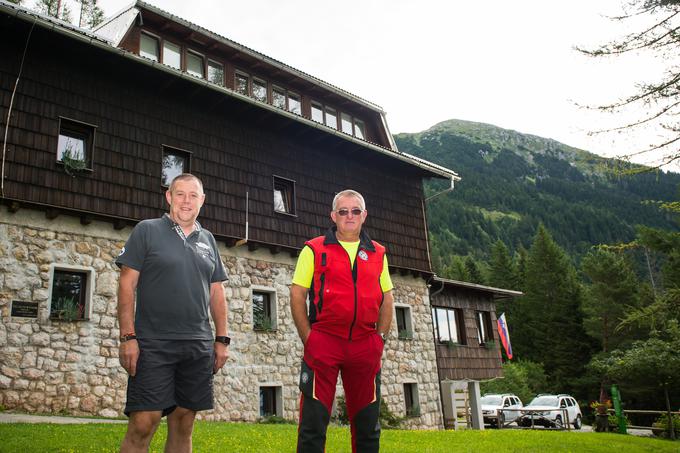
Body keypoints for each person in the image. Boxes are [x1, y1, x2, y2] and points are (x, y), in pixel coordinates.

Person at [115, 173, 230, 453]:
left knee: (183, 423)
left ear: (202, 201)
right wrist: (128, 337)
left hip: (197, 345)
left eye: (193, 195)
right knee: (144, 422)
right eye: (180, 194)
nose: (186, 201)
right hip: (153, 343)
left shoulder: (209, 240)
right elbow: (126, 285)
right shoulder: (147, 230)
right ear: (169, 197)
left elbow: (217, 292)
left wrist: (222, 339)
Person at [290, 189, 394, 453]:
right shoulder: (313, 249)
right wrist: (309, 338)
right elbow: (297, 294)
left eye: (355, 211)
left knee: (368, 427)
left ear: (364, 215)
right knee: (313, 424)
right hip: (324, 342)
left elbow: (387, 298)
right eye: (344, 211)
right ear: (333, 216)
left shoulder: (378, 253)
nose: (350, 216)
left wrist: (379, 339)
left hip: (364, 345)